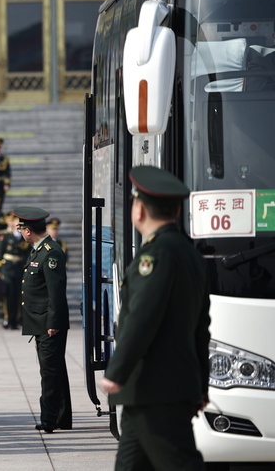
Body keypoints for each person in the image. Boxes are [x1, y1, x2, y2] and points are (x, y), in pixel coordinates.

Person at [100, 166, 210, 470]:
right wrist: (201, 382)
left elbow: (141, 318)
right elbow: (201, 328)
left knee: (179, 463)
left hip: (156, 387)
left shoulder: (156, 256)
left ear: (138, 210)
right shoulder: (189, 253)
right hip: (158, 390)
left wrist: (116, 371)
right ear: (176, 210)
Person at [15, 206, 72, 434]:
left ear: (28, 231)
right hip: (42, 321)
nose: (20, 232)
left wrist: (53, 323)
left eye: (21, 228)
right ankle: (62, 417)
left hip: (49, 323)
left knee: (49, 371)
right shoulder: (39, 250)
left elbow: (56, 292)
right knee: (55, 369)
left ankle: (48, 419)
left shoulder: (50, 252)